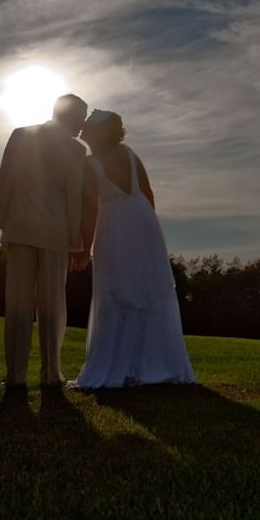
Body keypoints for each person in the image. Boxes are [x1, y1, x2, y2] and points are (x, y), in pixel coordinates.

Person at [69, 109, 196, 389]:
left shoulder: (91, 164)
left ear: (99, 132)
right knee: (147, 289)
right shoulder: (129, 153)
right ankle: (152, 362)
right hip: (143, 220)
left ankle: (119, 365)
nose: (83, 128)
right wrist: (148, 229)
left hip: (113, 223)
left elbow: (90, 209)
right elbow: (148, 193)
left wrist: (83, 248)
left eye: (88, 125)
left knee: (116, 287)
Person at [0, 93, 88, 392]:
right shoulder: (75, 150)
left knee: (18, 304)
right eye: (81, 117)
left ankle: (16, 376)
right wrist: (76, 241)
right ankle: (50, 374)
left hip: (20, 228)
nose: (83, 125)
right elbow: (73, 197)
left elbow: (4, 181)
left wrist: (4, 221)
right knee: (52, 306)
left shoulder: (21, 135)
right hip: (56, 233)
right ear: (70, 115)